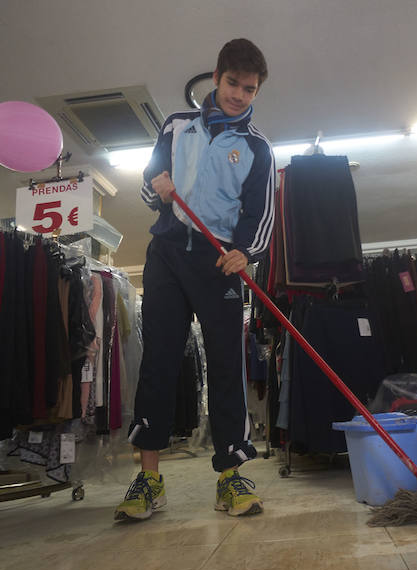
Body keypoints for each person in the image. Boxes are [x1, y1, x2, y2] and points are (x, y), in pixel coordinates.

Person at [115, 39, 275, 520]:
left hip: (217, 262)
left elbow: (260, 215)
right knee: (160, 362)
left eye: (250, 90)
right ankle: (149, 480)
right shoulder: (176, 125)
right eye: (233, 84)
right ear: (216, 76)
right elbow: (148, 183)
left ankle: (231, 478)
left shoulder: (256, 148)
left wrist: (244, 254)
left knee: (227, 364)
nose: (240, 96)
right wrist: (157, 189)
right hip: (166, 253)